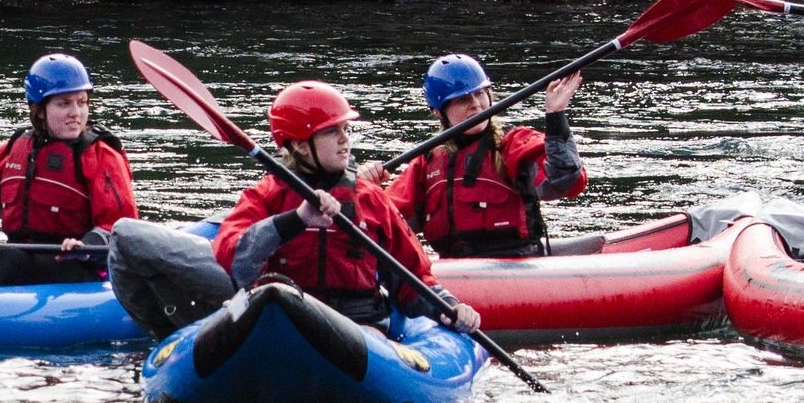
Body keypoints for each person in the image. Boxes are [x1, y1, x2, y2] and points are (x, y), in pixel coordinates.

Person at [212, 80, 481, 332]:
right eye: (332, 131)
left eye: (345, 129)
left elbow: (413, 276)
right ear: (300, 146)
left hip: (357, 326)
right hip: (284, 319)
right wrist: (296, 219)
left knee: (369, 336)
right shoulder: (268, 195)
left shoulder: (369, 198)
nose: (345, 139)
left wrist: (447, 307)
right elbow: (235, 260)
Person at [0, 53, 137, 287]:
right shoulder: (13, 151)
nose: (76, 113)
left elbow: (121, 226)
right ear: (39, 110)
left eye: (82, 102)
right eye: (64, 103)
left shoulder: (101, 155)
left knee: (3, 256)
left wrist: (88, 244)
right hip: (23, 256)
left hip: (78, 266)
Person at [384, 53, 587, 258]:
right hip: (453, 269)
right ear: (439, 112)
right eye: (463, 100)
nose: (476, 104)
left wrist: (555, 115)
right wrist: (362, 184)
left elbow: (567, 181)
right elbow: (382, 217)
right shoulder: (427, 162)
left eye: (480, 94)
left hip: (517, 266)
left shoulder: (513, 143)